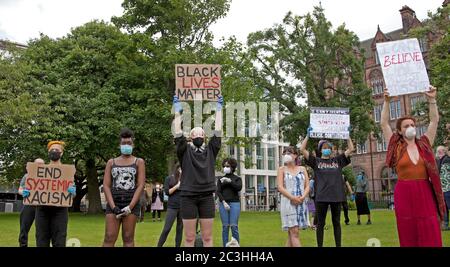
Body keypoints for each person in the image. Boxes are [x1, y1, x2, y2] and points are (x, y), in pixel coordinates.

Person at [381, 86, 445, 247]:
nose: (410, 128)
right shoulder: (396, 146)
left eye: (412, 125)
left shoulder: (425, 143)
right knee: (408, 229)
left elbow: (434, 120)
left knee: (430, 226)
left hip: (424, 190)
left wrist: (432, 100)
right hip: (404, 192)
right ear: (400, 131)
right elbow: (383, 123)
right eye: (406, 126)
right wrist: (387, 102)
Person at [173, 95, 223, 247]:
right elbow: (177, 132)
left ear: (205, 137)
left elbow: (218, 130)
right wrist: (177, 111)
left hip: (207, 196)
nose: (199, 135)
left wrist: (219, 110)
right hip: (188, 196)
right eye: (195, 133)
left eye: (202, 133)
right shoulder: (184, 151)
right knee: (189, 238)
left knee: (207, 238)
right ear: (190, 137)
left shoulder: (211, 150)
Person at [300, 128, 354, 247]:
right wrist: (307, 136)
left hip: (336, 196)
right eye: (324, 148)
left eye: (328, 148)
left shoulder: (338, 160)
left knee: (336, 223)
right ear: (320, 150)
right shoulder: (316, 162)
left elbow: (350, 149)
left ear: (332, 150)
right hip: (321, 197)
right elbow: (302, 149)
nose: (327, 150)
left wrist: (347, 135)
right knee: (320, 223)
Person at [102, 128, 146, 247]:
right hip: (114, 203)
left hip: (131, 203)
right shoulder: (111, 162)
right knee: (109, 237)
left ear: (133, 144)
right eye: (123, 143)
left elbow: (140, 185)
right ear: (119, 145)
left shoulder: (139, 162)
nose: (126, 145)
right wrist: (113, 207)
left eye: (129, 143)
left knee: (128, 238)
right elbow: (106, 185)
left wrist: (130, 207)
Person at [34, 141, 77, 247]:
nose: (54, 152)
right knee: (41, 240)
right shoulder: (41, 170)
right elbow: (34, 188)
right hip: (42, 210)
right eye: (51, 150)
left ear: (61, 153)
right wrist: (29, 193)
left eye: (57, 150)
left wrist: (73, 192)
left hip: (60, 211)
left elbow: (71, 195)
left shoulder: (67, 171)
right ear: (48, 152)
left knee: (59, 241)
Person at [277, 146, 310, 247]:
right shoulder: (282, 169)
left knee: (291, 233)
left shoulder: (302, 169)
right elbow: (280, 187)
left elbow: (307, 186)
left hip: (301, 202)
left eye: (289, 152)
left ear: (295, 155)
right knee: (294, 232)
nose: (287, 154)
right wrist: (293, 198)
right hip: (288, 203)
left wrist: (302, 197)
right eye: (285, 153)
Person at [18, 158, 45, 247]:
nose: (39, 166)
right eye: (37, 164)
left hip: (42, 206)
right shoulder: (27, 176)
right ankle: (23, 245)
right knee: (24, 228)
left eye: (41, 164)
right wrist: (23, 192)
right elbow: (20, 189)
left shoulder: (48, 177)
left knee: (41, 230)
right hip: (28, 205)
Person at [216, 158, 242, 247]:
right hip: (223, 204)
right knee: (225, 227)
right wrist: (223, 202)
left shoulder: (237, 179)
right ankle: (225, 246)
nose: (225, 168)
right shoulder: (220, 179)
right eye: (224, 166)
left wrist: (230, 182)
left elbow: (238, 188)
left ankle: (236, 246)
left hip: (235, 204)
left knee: (234, 226)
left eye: (227, 166)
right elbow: (218, 192)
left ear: (232, 167)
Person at [157, 165, 183, 247]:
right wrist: (176, 186)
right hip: (172, 207)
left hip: (183, 206)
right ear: (177, 169)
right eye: (180, 168)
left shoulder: (186, 179)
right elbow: (167, 192)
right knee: (167, 228)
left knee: (180, 229)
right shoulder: (169, 178)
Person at [436, 146, 450, 231]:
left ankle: (445, 224)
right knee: (444, 207)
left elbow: (444, 175)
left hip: (447, 187)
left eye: (440, 151)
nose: (439, 153)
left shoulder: (447, 160)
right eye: (438, 151)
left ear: (444, 152)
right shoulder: (439, 161)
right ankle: (445, 225)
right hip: (442, 189)